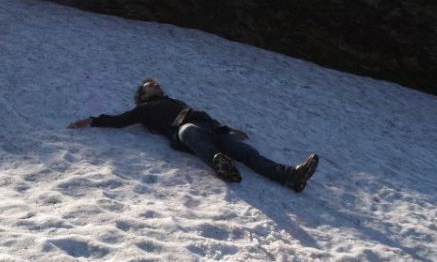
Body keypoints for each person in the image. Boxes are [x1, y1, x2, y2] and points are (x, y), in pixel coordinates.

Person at [68, 78, 319, 191]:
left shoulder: (175, 101)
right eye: (150, 86)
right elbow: (120, 120)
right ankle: (221, 165)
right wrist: (92, 120)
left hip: (211, 129)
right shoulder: (144, 109)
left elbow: (204, 116)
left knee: (247, 153)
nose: (156, 85)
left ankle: (290, 176)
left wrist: (228, 129)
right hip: (183, 133)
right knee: (189, 130)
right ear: (143, 95)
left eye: (156, 84)